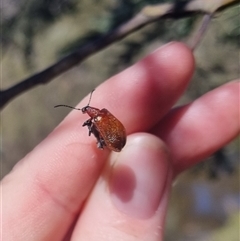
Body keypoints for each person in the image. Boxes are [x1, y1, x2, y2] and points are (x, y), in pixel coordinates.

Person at [3, 42, 239, 241]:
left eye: (87, 111)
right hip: (117, 138)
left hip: (118, 139)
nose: (87, 113)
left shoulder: (100, 116)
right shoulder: (101, 115)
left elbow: (109, 130)